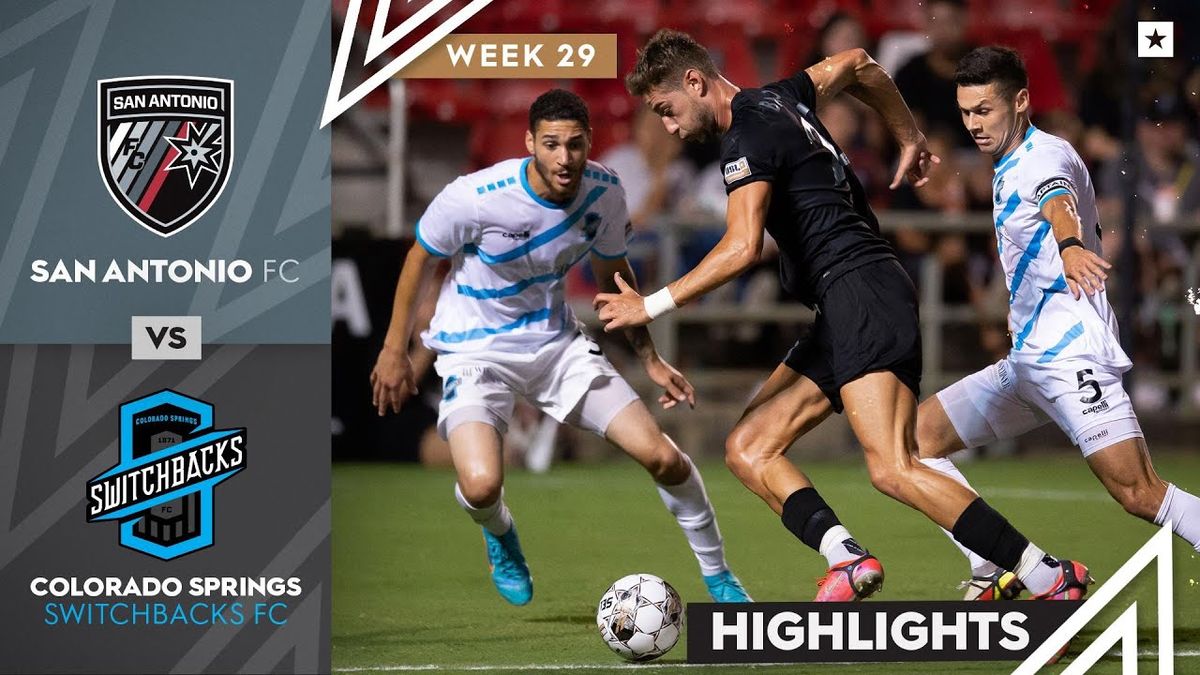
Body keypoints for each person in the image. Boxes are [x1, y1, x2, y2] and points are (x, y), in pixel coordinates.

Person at [601, 29, 1088, 603]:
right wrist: (908, 136)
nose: (669, 127)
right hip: (844, 304)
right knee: (750, 445)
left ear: (694, 82)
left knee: (893, 465)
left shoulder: (748, 135)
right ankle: (846, 558)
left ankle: (1048, 576)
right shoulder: (780, 96)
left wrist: (650, 304)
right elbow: (857, 64)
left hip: (861, 292)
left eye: (667, 110)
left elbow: (741, 246)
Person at [369, 89, 751, 606]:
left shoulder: (605, 192)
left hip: (556, 346)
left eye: (574, 144)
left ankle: (720, 576)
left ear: (589, 142)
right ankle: (501, 534)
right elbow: (419, 258)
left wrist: (651, 359)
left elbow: (614, 276)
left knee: (662, 456)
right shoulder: (476, 196)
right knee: (481, 486)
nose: (564, 157)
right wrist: (394, 351)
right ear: (530, 142)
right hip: (475, 351)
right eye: (550, 144)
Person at [915, 46, 1200, 599]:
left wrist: (1070, 246)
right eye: (966, 112)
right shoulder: (1005, 160)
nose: (973, 124)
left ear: (1020, 102)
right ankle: (995, 569)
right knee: (919, 440)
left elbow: (1057, 201)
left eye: (985, 111)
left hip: (1072, 360)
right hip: (1028, 363)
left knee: (1140, 494)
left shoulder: (1044, 157)